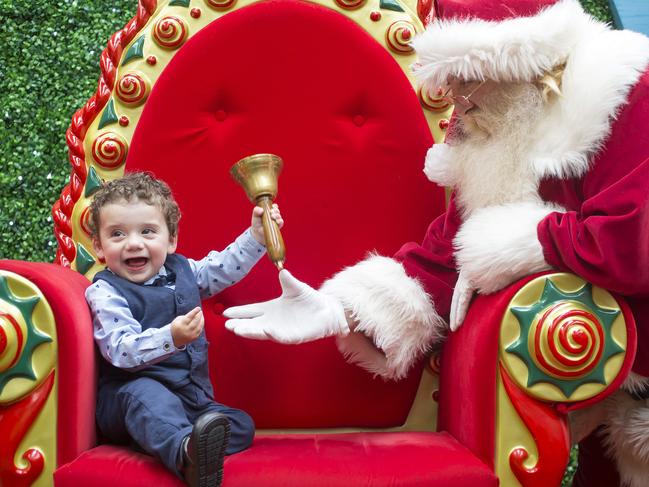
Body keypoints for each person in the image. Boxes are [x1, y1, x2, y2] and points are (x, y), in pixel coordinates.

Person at [223, 1, 649, 486]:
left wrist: (519, 241)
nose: (455, 102)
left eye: (467, 79)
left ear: (521, 66)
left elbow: (630, 243)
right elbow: (446, 257)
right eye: (449, 82)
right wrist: (339, 309)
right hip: (617, 390)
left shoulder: (623, 92)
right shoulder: (504, 122)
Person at [86, 172, 283, 487]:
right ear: (98, 245)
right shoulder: (106, 291)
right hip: (129, 394)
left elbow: (222, 269)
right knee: (147, 398)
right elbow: (121, 350)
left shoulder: (183, 270)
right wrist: (171, 338)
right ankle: (184, 454)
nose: (134, 243)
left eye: (148, 231)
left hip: (189, 397)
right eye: (118, 234)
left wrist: (256, 236)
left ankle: (177, 439)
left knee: (239, 425)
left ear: (171, 239)